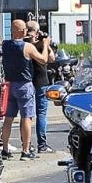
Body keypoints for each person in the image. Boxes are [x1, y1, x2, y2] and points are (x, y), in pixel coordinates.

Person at [0, 17, 52, 160]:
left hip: (9, 84)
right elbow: (43, 59)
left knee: (8, 119)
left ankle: (4, 149)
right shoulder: (28, 47)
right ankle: (26, 150)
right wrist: (45, 44)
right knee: (26, 118)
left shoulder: (5, 45)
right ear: (23, 31)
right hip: (24, 85)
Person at [29, 21, 55, 153]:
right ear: (37, 31)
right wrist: (46, 45)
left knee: (27, 115)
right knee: (41, 113)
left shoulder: (23, 44)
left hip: (27, 82)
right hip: (40, 82)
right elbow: (49, 59)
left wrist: (46, 45)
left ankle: (26, 145)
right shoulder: (37, 45)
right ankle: (42, 144)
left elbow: (52, 58)